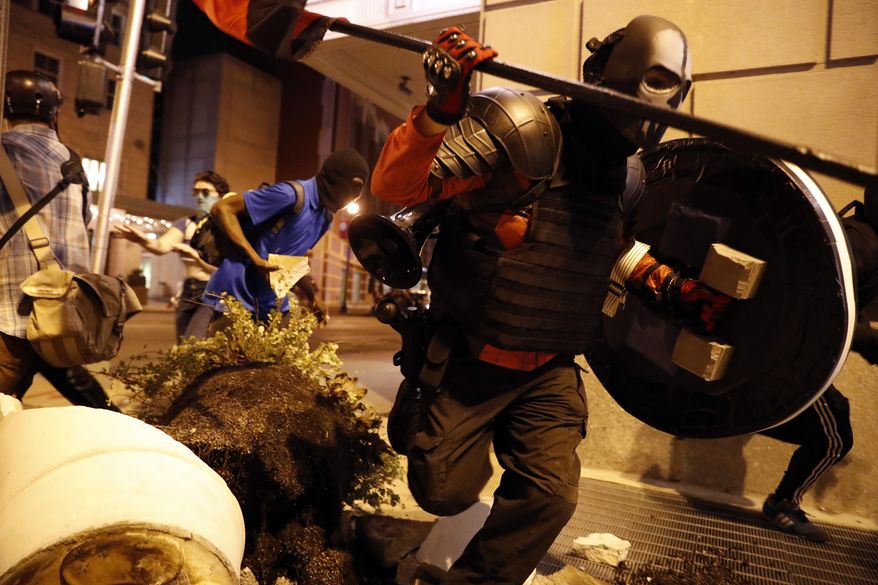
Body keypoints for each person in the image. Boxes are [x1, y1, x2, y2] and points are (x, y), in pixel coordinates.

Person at [370, 17, 731, 585]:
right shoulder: (521, 130)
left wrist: (676, 290)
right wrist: (442, 108)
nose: (663, 102)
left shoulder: (630, 176)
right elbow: (398, 189)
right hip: (471, 360)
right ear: (602, 74)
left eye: (676, 89)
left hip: (549, 372)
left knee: (551, 497)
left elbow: (610, 247)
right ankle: (419, 392)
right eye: (656, 80)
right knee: (445, 492)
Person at [757, 186, 878, 543]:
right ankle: (781, 504)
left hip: (779, 354)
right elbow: (818, 308)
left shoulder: (858, 236)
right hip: (780, 358)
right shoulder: (864, 246)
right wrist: (870, 342)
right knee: (834, 434)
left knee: (833, 427)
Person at [0, 70, 117, 410]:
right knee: (91, 400)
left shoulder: (3, 150)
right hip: (63, 313)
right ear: (54, 113)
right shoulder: (73, 163)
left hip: (10, 315)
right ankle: (132, 440)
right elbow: (84, 221)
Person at [203, 148, 369, 328]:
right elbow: (221, 209)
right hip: (235, 297)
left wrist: (312, 296)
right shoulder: (289, 195)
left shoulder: (325, 218)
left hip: (271, 305)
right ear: (336, 180)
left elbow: (291, 261)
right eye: (350, 192)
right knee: (227, 355)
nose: (349, 201)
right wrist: (255, 258)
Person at [113, 170, 230, 341]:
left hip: (212, 290)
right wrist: (142, 240)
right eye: (196, 192)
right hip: (189, 289)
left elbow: (226, 268)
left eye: (206, 192)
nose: (199, 197)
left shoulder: (226, 226)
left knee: (192, 343)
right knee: (182, 343)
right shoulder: (187, 223)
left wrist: (197, 257)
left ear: (221, 195)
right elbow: (161, 246)